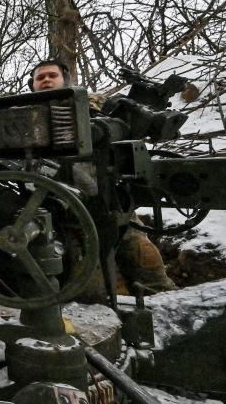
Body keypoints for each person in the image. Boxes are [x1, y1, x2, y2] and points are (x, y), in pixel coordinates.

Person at [27, 58, 177, 298]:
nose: (45, 80)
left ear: (66, 80)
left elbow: (130, 126)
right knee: (92, 291)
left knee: (148, 267)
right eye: (40, 77)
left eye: (51, 75)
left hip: (114, 203)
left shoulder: (93, 104)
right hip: (70, 216)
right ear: (32, 85)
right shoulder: (23, 117)